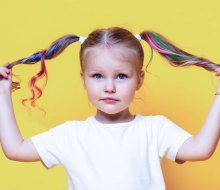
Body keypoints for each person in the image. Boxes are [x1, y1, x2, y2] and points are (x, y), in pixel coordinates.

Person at [0, 27, 220, 190]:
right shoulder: (71, 135)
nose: (109, 87)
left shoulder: (155, 129)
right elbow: (15, 149)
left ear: (139, 80)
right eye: (97, 76)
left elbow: (201, 149)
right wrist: (2, 94)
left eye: (121, 76)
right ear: (83, 80)